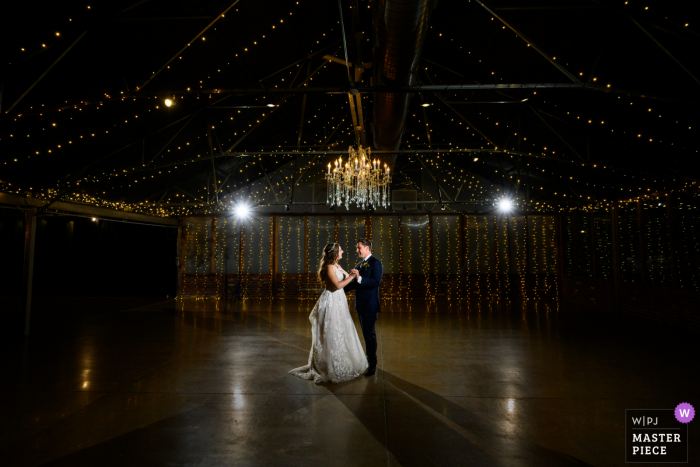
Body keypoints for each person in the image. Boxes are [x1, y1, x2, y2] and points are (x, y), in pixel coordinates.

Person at [288, 243, 369, 384]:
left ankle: (340, 360)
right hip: (331, 302)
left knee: (341, 330)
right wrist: (351, 276)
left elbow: (345, 278)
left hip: (339, 301)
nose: (343, 251)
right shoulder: (329, 267)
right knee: (330, 332)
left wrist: (353, 273)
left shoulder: (336, 265)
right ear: (335, 253)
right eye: (341, 250)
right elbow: (338, 285)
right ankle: (328, 365)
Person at [343, 238, 383, 377]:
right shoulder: (361, 264)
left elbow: (376, 282)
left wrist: (359, 277)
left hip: (370, 305)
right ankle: (369, 359)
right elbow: (354, 283)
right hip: (360, 305)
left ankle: (372, 363)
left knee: (369, 334)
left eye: (359, 247)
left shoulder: (376, 263)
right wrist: (339, 289)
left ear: (367, 248)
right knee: (365, 333)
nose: (357, 250)